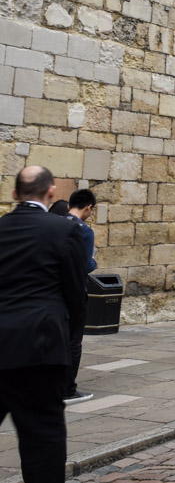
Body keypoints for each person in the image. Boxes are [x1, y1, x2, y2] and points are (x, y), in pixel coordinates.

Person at [0, 166, 87, 483]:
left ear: (14, 195)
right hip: (40, 349)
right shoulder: (64, 231)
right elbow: (76, 294)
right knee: (42, 441)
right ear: (51, 192)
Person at [62, 189, 98, 404]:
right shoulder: (84, 231)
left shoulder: (55, 223)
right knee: (74, 341)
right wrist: (94, 261)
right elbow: (86, 265)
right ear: (88, 208)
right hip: (75, 292)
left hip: (53, 292)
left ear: (69, 206)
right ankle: (68, 388)